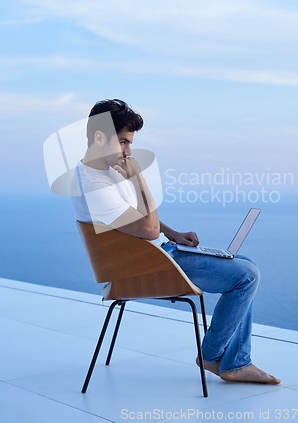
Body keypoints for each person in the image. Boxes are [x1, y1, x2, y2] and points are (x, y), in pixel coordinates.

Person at [73, 98, 281, 385]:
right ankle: (219, 359)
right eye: (123, 142)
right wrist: (138, 180)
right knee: (246, 276)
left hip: (154, 255)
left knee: (246, 264)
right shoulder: (95, 185)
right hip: (143, 268)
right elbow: (146, 229)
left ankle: (234, 361)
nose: (128, 151)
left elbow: (135, 220)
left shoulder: (99, 172)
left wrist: (172, 234)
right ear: (99, 137)